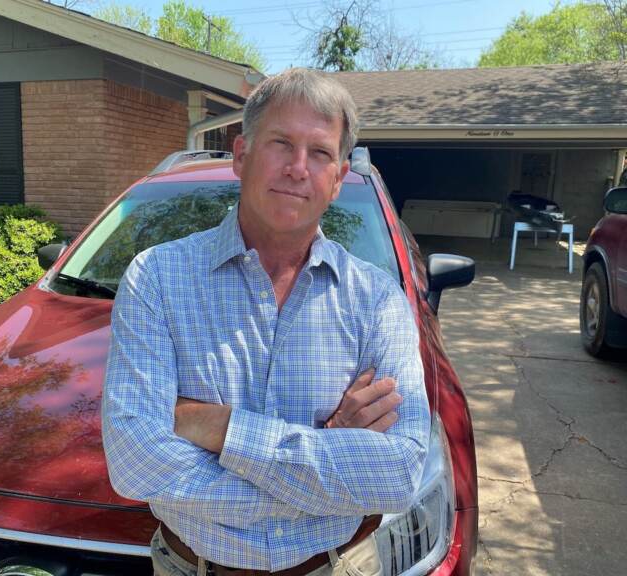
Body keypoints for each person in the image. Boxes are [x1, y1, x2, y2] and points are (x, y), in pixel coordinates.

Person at [102, 68, 430, 576]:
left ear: (339, 178)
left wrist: (219, 426)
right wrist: (329, 459)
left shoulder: (378, 300)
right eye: (281, 143)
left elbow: (400, 473)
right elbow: (134, 462)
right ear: (241, 155)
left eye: (320, 152)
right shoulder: (157, 279)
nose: (298, 168)